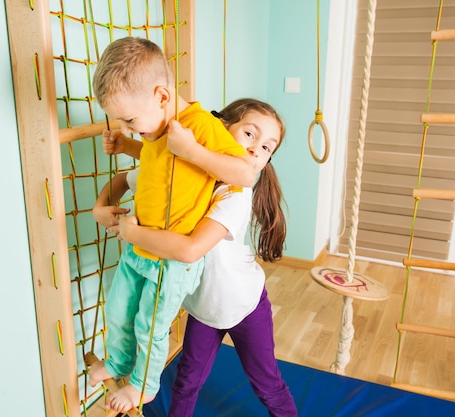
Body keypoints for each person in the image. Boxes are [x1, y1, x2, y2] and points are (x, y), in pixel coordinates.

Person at [86, 36, 256, 413]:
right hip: (138, 247)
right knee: (117, 310)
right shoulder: (157, 130)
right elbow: (159, 158)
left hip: (171, 259)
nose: (129, 127)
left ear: (162, 96)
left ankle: (143, 386)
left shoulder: (199, 126)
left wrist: (193, 150)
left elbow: (245, 174)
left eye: (130, 120)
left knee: (150, 323)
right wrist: (127, 146)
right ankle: (116, 364)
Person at [100, 98, 297, 417]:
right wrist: (124, 152)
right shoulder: (187, 176)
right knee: (186, 383)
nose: (255, 150)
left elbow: (191, 248)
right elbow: (142, 169)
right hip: (204, 307)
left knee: (266, 383)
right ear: (220, 129)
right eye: (249, 135)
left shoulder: (236, 193)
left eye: (266, 148)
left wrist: (133, 233)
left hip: (243, 304)